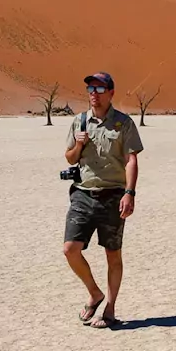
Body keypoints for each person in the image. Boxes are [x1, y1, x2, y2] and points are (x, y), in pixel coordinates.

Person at [63, 71, 143, 329]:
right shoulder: (80, 122)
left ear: (111, 93)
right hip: (83, 194)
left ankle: (109, 309)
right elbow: (70, 158)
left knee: (113, 254)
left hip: (113, 196)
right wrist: (78, 144)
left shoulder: (123, 123)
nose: (93, 94)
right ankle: (94, 293)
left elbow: (132, 160)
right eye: (90, 90)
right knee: (70, 249)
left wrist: (129, 193)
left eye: (99, 89)